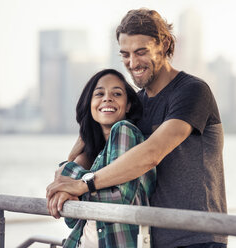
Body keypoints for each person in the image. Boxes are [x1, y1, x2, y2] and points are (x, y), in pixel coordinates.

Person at [47, 8, 227, 248]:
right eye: (125, 54)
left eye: (141, 52)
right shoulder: (133, 104)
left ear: (163, 44)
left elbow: (151, 154)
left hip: (197, 237)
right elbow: (91, 151)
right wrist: (63, 185)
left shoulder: (192, 91)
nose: (132, 63)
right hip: (148, 238)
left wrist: (82, 185)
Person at [48, 69, 156, 248]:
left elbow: (121, 197)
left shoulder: (124, 130)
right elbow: (71, 221)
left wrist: (71, 176)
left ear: (128, 105)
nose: (107, 98)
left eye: (117, 93)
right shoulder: (97, 155)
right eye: (99, 93)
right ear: (90, 104)